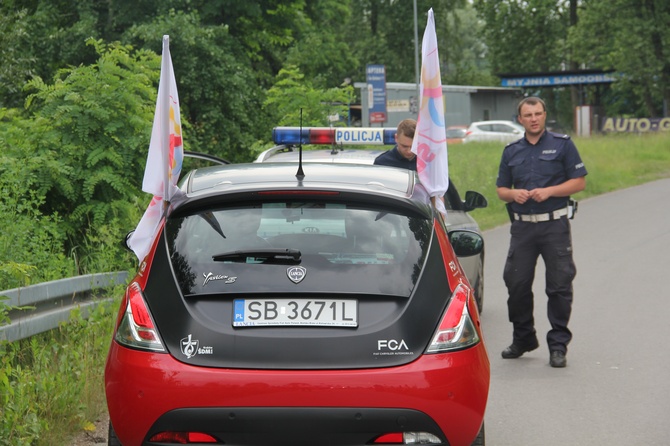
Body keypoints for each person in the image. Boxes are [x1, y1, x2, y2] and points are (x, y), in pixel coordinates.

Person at [496, 96, 587, 368]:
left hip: (554, 226)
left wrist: (549, 191)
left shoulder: (563, 145)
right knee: (516, 284)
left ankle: (558, 345)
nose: (534, 118)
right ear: (520, 119)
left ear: (545, 115)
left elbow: (579, 182)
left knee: (559, 287)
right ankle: (524, 338)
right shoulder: (511, 151)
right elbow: (502, 190)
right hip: (523, 227)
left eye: (538, 113)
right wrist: (514, 194)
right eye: (528, 115)